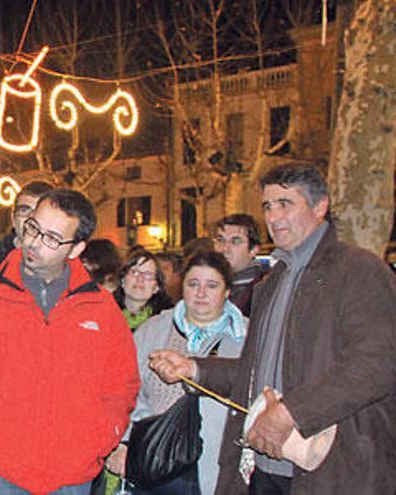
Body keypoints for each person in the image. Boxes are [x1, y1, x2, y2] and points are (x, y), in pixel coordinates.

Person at [149, 163, 396, 494]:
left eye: (285, 203)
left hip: (331, 468)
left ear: (320, 206)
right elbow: (256, 372)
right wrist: (195, 369)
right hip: (263, 468)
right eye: (267, 205)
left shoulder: (359, 271)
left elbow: (375, 366)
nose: (274, 217)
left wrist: (291, 413)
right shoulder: (273, 282)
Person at [0, 188, 139, 494]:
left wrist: (100, 438)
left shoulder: (102, 310)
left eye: (52, 238)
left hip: (72, 473)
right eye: (33, 228)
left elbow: (121, 385)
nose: (35, 243)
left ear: (76, 249)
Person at [107, 251, 247, 495]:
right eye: (193, 284)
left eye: (212, 285)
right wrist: (124, 442)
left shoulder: (247, 336)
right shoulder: (153, 330)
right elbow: (126, 392)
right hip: (156, 457)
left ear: (226, 292)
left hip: (219, 462)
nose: (201, 293)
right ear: (181, 287)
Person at [0, 180, 53, 277]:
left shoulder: (72, 266)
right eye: (24, 210)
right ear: (13, 219)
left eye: (41, 211)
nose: (32, 219)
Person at [212, 214, 268, 316]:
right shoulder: (207, 285)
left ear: (254, 250)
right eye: (220, 240)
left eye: (235, 241)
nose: (224, 249)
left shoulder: (266, 289)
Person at [113, 250, 173, 331]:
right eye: (134, 272)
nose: (140, 279)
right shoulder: (105, 312)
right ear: (123, 280)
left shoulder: (167, 321)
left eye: (148, 274)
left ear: (156, 287)